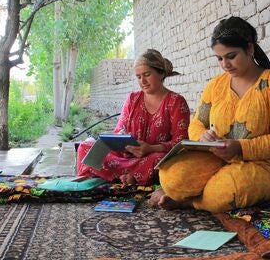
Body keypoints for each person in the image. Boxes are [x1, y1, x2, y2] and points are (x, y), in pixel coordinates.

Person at [149, 16, 270, 213]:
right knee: (170, 175)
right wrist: (203, 137)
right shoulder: (216, 85)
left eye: (231, 56)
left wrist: (240, 148)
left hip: (263, 167)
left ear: (250, 49)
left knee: (225, 191)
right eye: (219, 58)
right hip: (217, 157)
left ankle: (190, 202)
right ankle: (193, 192)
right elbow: (196, 124)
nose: (225, 64)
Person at [76, 49, 190, 186]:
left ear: (161, 73)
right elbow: (118, 130)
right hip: (125, 156)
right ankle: (130, 177)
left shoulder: (176, 102)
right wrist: (121, 137)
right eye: (138, 77)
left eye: (147, 75)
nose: (143, 81)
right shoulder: (132, 99)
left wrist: (151, 148)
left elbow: (181, 142)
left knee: (161, 160)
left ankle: (118, 176)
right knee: (85, 147)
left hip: (150, 158)